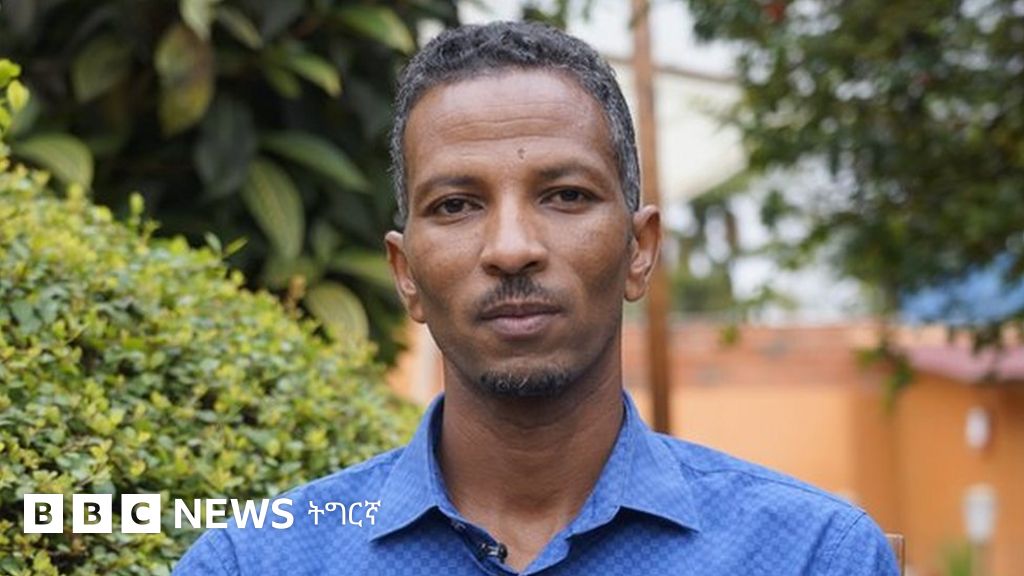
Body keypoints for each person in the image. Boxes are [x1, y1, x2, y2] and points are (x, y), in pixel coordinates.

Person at [174, 21, 898, 575]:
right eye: (456, 205)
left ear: (639, 251)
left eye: (566, 195)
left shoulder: (813, 555)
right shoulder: (256, 562)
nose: (511, 247)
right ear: (405, 273)